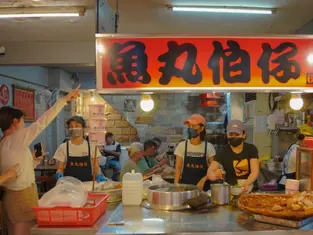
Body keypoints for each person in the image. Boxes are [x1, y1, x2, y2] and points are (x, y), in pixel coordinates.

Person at [0, 85, 80, 235]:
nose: (25, 125)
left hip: (13, 199)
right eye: (24, 120)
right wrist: (64, 100)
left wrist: (35, 161)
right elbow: (42, 123)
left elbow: (19, 171)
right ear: (15, 121)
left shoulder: (4, 142)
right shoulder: (17, 138)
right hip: (21, 199)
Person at [207, 120, 260, 192]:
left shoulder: (251, 149)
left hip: (250, 188)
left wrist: (246, 183)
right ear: (227, 135)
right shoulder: (223, 151)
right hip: (231, 190)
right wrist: (215, 175)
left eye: (237, 134)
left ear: (244, 135)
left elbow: (255, 171)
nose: (234, 137)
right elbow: (210, 172)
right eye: (231, 134)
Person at [53, 116, 106, 183]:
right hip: (69, 186)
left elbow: (96, 167)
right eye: (71, 126)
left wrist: (98, 175)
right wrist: (59, 173)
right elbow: (60, 168)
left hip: (87, 185)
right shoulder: (63, 147)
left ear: (83, 128)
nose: (73, 128)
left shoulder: (92, 147)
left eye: (77, 125)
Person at [174, 114, 216, 191]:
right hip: (185, 188)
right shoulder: (182, 145)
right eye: (189, 126)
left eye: (193, 126)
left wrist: (203, 180)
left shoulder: (209, 147)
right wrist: (176, 186)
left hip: (203, 189)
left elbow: (214, 168)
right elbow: (178, 167)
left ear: (201, 128)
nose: (190, 128)